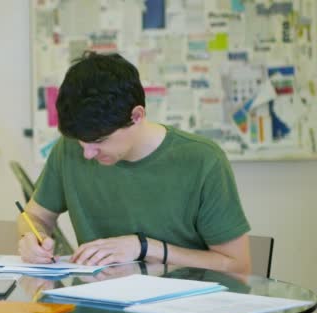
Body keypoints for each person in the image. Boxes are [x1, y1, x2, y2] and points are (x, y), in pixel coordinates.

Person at [18, 51, 251, 274]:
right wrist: (32, 239)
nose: (87, 153)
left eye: (99, 140)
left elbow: (238, 267)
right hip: (99, 306)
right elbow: (35, 216)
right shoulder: (69, 150)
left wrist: (146, 248)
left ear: (137, 116)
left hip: (181, 307)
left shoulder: (202, 160)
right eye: (81, 141)